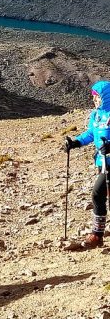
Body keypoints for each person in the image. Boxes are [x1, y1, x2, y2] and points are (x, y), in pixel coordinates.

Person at [64, 81, 110, 249]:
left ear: (105, 97)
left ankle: (97, 236)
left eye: (97, 97)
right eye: (93, 97)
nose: (94, 100)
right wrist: (75, 142)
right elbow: (91, 133)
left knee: (97, 194)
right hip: (102, 161)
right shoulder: (96, 115)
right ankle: (98, 235)